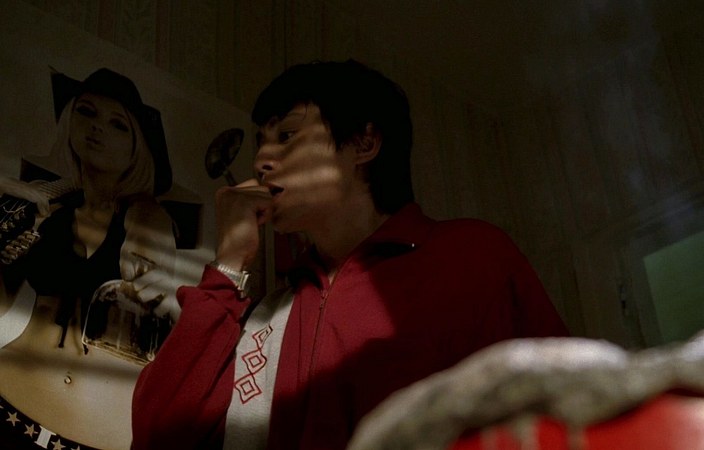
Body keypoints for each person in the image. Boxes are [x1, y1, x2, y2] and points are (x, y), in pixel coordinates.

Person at [131, 59, 569, 450]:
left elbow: (565, 411)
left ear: (363, 144)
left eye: (287, 136)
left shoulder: (472, 255)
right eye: (260, 142)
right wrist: (228, 265)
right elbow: (156, 436)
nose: (261, 159)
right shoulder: (271, 315)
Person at [0, 68, 177, 450]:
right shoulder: (44, 206)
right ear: (69, 121)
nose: (97, 127)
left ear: (137, 146)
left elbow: (149, 257)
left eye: (118, 124)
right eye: (86, 112)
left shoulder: (146, 216)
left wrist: (149, 224)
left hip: (96, 434)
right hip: (9, 399)